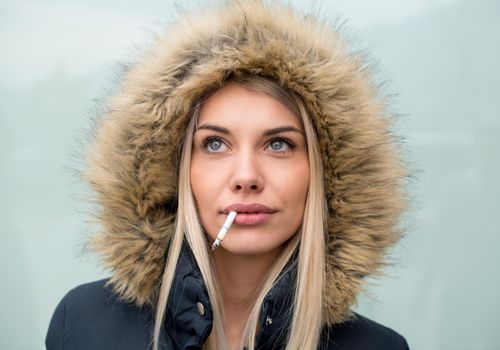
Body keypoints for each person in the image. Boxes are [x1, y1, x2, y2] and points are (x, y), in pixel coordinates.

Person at [46, 1, 411, 349]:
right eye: (215, 144)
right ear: (173, 169)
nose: (247, 176)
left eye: (279, 144)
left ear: (327, 177)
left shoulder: (379, 347)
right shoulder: (82, 324)